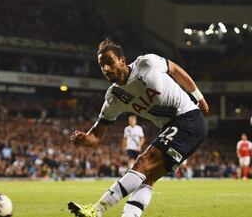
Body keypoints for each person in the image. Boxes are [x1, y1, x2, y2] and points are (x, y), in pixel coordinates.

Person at [68, 38, 209, 217]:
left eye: (109, 62)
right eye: (101, 65)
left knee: (143, 162)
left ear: (122, 61)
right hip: (172, 127)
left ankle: (97, 210)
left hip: (189, 118)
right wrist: (85, 139)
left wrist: (199, 97)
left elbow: (174, 69)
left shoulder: (147, 63)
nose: (106, 69)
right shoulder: (114, 97)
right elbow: (96, 136)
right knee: (147, 179)